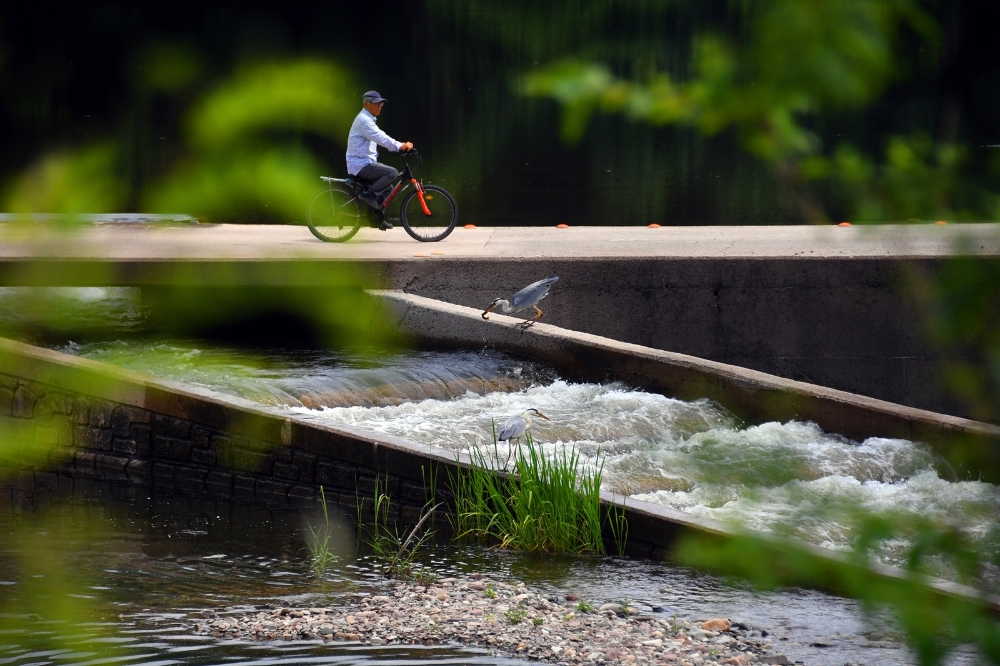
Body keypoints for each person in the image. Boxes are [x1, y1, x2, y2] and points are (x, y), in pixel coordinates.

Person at [346, 90, 414, 230]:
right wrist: (400, 146)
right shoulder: (364, 120)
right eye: (376, 103)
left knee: (388, 187)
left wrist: (398, 146)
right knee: (392, 173)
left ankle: (376, 219)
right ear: (366, 104)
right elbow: (380, 137)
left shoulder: (368, 119)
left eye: (381, 103)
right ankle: (367, 194)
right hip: (360, 165)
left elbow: (380, 136)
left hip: (364, 162)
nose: (380, 106)